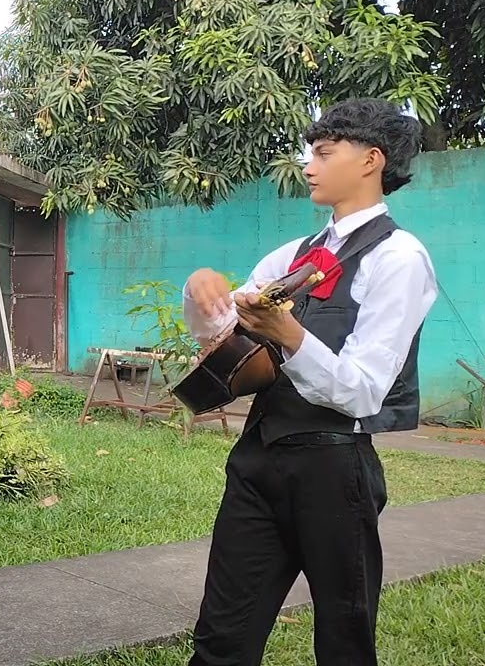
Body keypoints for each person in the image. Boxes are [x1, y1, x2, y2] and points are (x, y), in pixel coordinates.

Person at [181, 98, 437, 665]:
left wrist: (289, 335)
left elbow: (365, 390)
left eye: (322, 152)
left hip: (335, 468)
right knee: (222, 636)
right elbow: (221, 326)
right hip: (257, 462)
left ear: (371, 160)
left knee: (344, 641)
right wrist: (200, 288)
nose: (307, 164)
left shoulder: (400, 258)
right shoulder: (294, 255)